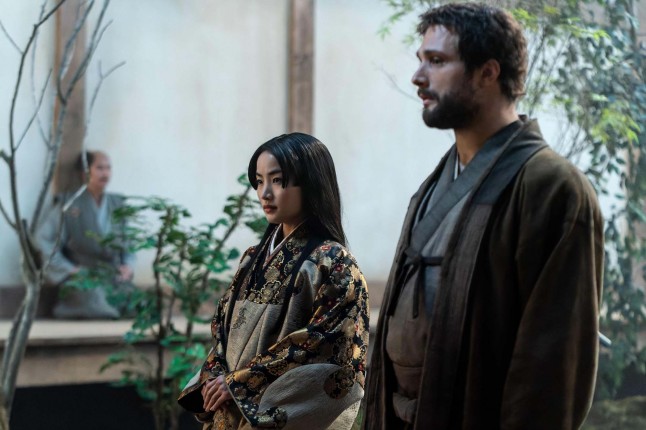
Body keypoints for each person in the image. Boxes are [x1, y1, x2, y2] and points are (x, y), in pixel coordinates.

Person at [363, 3, 604, 429]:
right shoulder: (434, 184)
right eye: (421, 60)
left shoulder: (553, 188)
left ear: (487, 73)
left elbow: (551, 373)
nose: (418, 77)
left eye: (437, 61)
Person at [178, 133, 369, 429]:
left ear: (311, 182)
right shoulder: (251, 259)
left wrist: (239, 383)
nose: (265, 193)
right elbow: (222, 333)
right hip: (229, 411)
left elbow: (322, 346)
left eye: (277, 180)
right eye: (259, 181)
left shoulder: (334, 263)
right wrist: (217, 379)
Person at [37, 150, 134, 319]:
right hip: (82, 275)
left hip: (110, 274)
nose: (105, 173)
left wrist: (128, 266)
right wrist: (70, 269)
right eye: (100, 168)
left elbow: (129, 244)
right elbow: (43, 239)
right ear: (85, 172)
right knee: (94, 296)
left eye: (108, 168)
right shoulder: (69, 204)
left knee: (138, 302)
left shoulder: (117, 204)